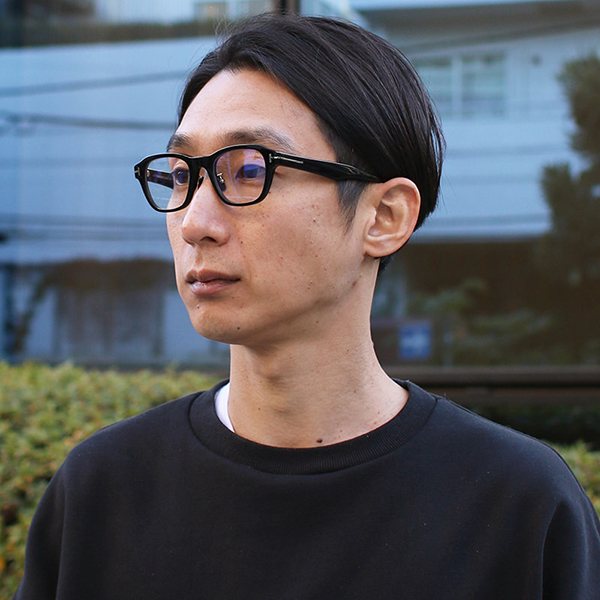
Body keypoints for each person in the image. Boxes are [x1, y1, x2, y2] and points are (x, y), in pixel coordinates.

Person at [14, 13, 600, 600]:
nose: (194, 223)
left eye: (249, 170)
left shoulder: (518, 507)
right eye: (182, 176)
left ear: (384, 217)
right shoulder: (102, 491)